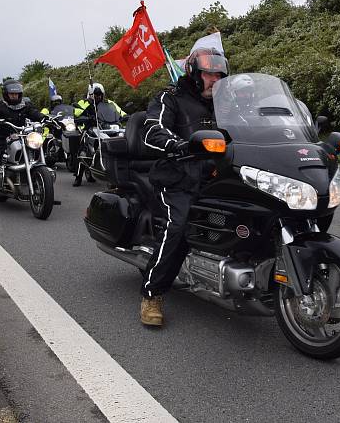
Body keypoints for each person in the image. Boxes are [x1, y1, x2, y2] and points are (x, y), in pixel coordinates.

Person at [139, 47, 228, 327]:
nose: (214, 79)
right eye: (208, 73)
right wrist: (176, 144)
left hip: (214, 176)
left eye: (219, 74)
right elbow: (152, 128)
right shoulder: (170, 98)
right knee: (177, 227)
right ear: (193, 73)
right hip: (177, 176)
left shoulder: (225, 104)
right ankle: (152, 293)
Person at [0, 79, 45, 210]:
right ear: (6, 94)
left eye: (16, 94)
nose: (14, 96)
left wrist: (45, 118)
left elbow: (35, 113)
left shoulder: (26, 105)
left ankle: (44, 192)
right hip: (1, 140)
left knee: (40, 155)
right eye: (12, 94)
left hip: (22, 137)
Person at [72, 83, 127, 187]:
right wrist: (85, 118)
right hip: (91, 127)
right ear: (90, 94)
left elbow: (119, 111)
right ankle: (78, 176)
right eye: (95, 94)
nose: (98, 97)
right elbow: (77, 114)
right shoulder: (84, 102)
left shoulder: (109, 103)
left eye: (100, 94)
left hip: (107, 128)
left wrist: (125, 116)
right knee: (83, 146)